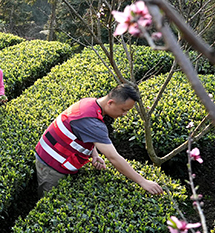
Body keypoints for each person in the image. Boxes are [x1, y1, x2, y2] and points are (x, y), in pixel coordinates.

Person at [34, 82, 163, 196]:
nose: (124, 114)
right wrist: (143, 181)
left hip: (52, 153)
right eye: (124, 110)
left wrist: (94, 153)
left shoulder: (89, 103)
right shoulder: (92, 123)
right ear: (110, 103)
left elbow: (83, 134)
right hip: (50, 164)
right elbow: (114, 157)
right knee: (51, 199)